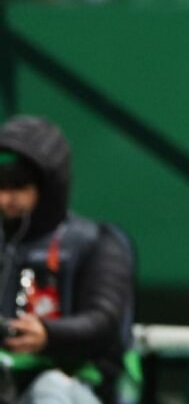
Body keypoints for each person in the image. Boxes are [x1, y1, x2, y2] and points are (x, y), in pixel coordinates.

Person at [0, 116, 135, 404]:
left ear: (47, 185)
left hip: (80, 385)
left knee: (50, 389)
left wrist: (48, 335)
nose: (5, 199)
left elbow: (103, 321)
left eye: (18, 186)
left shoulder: (98, 243)